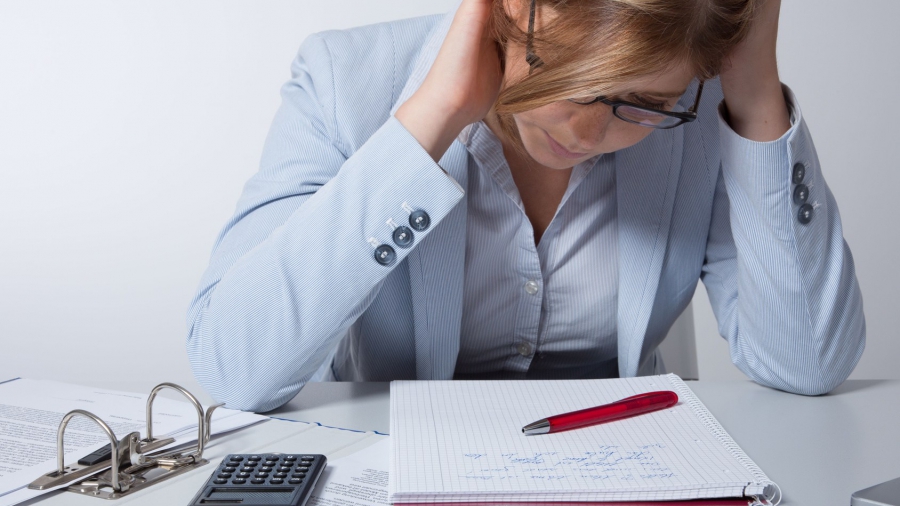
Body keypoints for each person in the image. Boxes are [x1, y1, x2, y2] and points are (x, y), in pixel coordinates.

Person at [186, 0, 865, 412]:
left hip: (630, 470)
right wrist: (434, 119)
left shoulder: (703, 116)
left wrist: (754, 96)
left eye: (644, 104)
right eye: (574, 83)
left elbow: (806, 366)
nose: (587, 136)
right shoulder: (344, 79)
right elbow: (235, 368)